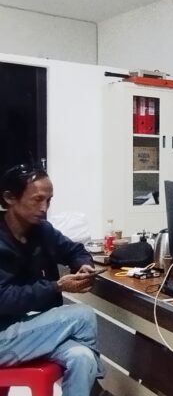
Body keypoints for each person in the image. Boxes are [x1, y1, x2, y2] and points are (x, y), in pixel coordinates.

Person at [0, 164, 105, 395]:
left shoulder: (42, 230)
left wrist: (83, 265)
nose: (44, 208)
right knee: (82, 315)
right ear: (9, 198)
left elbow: (75, 250)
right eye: (37, 200)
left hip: (33, 329)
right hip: (3, 335)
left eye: (48, 200)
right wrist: (56, 286)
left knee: (82, 357)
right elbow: (4, 299)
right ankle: (97, 390)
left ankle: (94, 386)